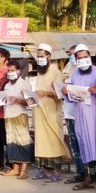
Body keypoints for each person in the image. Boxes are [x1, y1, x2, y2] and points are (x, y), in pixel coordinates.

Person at [62, 44, 96, 192]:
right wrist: (66, 91)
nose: (83, 60)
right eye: (79, 58)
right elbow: (71, 98)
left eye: (85, 57)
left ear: (90, 57)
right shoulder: (74, 75)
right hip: (81, 116)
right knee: (85, 146)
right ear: (75, 60)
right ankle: (89, 179)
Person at [30, 43, 70, 182]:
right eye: (38, 56)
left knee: (54, 140)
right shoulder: (39, 72)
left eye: (42, 56)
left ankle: (57, 171)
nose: (40, 58)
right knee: (42, 140)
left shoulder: (55, 71)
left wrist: (46, 93)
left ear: (49, 56)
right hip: (39, 110)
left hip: (52, 111)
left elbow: (60, 94)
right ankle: (46, 170)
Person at [3, 59, 34, 179]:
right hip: (8, 114)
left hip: (20, 114)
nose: (10, 72)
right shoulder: (7, 85)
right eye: (9, 70)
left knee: (23, 141)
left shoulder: (24, 84)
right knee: (12, 142)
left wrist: (18, 100)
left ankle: (24, 170)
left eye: (13, 70)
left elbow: (31, 102)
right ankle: (15, 168)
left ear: (19, 71)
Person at [62, 45, 85, 185]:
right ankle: (79, 173)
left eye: (74, 55)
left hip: (82, 113)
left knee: (84, 145)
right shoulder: (68, 69)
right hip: (69, 111)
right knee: (74, 144)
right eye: (71, 55)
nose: (73, 58)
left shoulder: (87, 71)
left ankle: (89, 175)